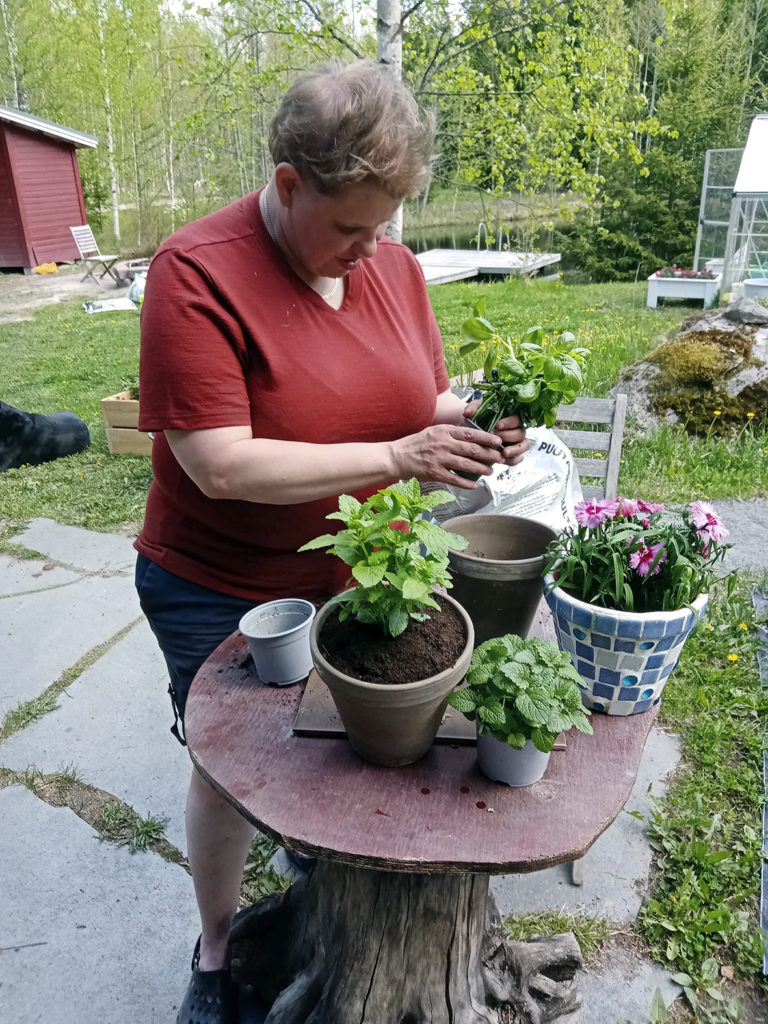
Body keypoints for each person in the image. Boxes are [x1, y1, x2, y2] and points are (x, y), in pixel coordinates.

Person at [134, 58, 529, 1024]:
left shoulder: (390, 268)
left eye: (385, 224)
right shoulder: (197, 273)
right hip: (226, 584)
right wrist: (400, 451)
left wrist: (467, 420)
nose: (371, 247)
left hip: (368, 570)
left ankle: (332, 890)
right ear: (286, 185)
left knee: (348, 758)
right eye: (349, 224)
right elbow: (219, 463)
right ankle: (219, 948)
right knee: (232, 772)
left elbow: (411, 395)